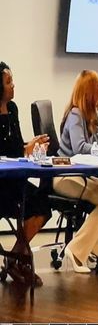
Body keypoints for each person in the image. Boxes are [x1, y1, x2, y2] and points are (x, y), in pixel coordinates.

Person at [0, 61, 50, 286]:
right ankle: (19, 261)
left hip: (16, 180)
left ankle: (15, 258)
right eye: (8, 82)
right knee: (25, 203)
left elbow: (16, 145)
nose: (13, 86)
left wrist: (30, 146)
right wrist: (23, 149)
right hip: (2, 184)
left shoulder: (12, 109)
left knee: (43, 205)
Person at [53, 70, 98, 273]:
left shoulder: (92, 115)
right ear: (89, 92)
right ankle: (78, 251)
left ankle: (90, 249)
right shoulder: (76, 114)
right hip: (65, 177)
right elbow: (80, 148)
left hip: (82, 177)